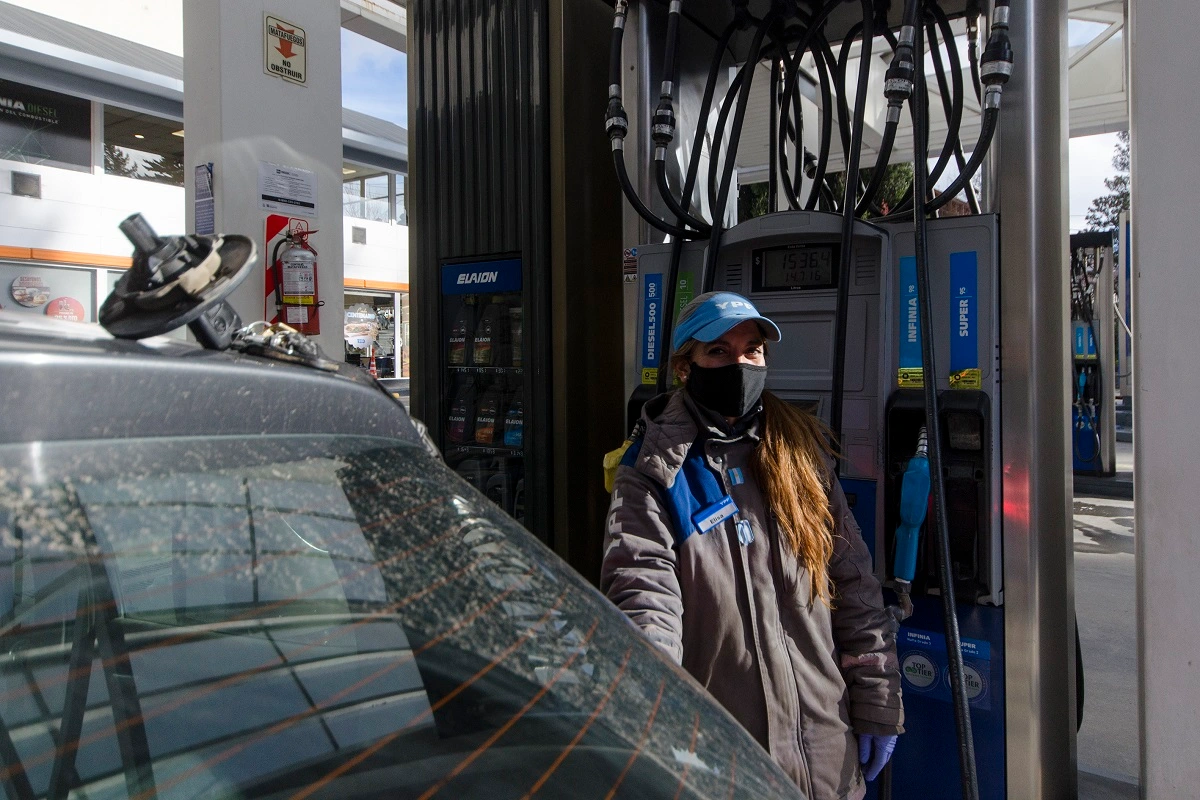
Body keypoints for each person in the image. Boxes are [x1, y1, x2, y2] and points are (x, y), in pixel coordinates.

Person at [601, 291, 902, 799]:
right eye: (718, 352)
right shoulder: (653, 474)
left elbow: (853, 583)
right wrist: (649, 698)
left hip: (827, 755)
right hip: (720, 761)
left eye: (751, 351)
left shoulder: (800, 452)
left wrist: (877, 698)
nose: (739, 364)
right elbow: (644, 593)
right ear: (684, 367)